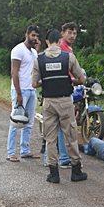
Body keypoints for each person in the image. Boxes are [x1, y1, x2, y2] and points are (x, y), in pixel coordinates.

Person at [33, 28, 87, 184]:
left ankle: (53, 173)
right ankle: (76, 171)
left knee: (50, 138)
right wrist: (68, 80)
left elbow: (34, 83)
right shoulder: (68, 57)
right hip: (65, 101)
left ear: (47, 42)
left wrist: (47, 81)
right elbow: (81, 79)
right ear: (58, 40)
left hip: (49, 102)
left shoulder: (39, 59)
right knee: (70, 136)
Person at [7, 25, 40, 162]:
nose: (35, 38)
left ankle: (25, 150)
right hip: (20, 90)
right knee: (16, 122)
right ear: (26, 34)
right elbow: (14, 73)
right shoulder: (18, 50)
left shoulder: (33, 52)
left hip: (32, 90)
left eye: (37, 36)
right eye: (33, 35)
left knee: (29, 122)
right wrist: (19, 94)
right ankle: (11, 152)